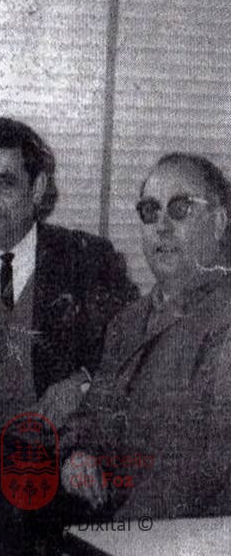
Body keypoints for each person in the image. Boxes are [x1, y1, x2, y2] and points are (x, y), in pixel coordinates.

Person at [0, 116, 138, 555]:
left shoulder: (85, 259)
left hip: (58, 461)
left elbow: (131, 353)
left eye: (6, 183)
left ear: (38, 189)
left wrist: (83, 386)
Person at [61, 152, 231, 520]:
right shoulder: (127, 322)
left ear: (219, 223)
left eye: (181, 209)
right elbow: (94, 414)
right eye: (150, 211)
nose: (162, 226)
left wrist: (119, 533)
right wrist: (79, 454)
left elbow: (210, 470)